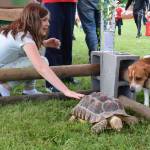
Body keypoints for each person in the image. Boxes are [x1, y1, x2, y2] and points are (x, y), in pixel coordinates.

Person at [0, 3, 84, 100]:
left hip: (3, 66)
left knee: (39, 55)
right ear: (33, 21)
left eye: (48, 20)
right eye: (44, 20)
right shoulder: (23, 37)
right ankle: (3, 88)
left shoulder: (19, 30)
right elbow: (41, 67)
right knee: (42, 61)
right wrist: (66, 90)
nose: (48, 24)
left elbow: (19, 47)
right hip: (2, 70)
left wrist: (44, 43)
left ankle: (29, 90)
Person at [41, 0, 78, 92]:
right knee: (54, 39)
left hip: (71, 2)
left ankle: (67, 75)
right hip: (53, 2)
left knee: (68, 40)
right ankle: (52, 82)